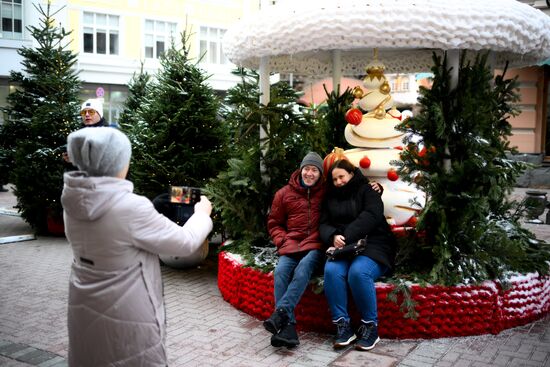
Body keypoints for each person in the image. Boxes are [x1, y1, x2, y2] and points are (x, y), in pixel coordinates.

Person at [62, 127, 213, 366]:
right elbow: (185, 243)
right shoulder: (130, 208)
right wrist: (202, 214)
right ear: (116, 162)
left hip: (84, 304)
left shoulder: (73, 201)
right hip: (126, 312)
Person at [320, 159, 396, 351]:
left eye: (341, 177)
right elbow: (323, 223)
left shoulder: (368, 190)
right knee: (331, 270)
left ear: (351, 174)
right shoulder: (330, 197)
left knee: (358, 273)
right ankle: (343, 327)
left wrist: (346, 235)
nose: (338, 182)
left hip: (373, 243)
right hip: (344, 247)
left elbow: (371, 215)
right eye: (335, 179)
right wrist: (332, 236)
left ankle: (371, 327)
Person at [264, 152, 326, 348]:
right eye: (306, 169)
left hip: (315, 244)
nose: (309, 173)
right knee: (281, 271)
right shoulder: (283, 194)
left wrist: (377, 187)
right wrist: (282, 241)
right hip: (291, 244)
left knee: (303, 268)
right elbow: (274, 223)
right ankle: (289, 327)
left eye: (314, 170)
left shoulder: (326, 192)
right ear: (300, 170)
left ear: (320, 173)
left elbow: (351, 189)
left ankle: (280, 314)